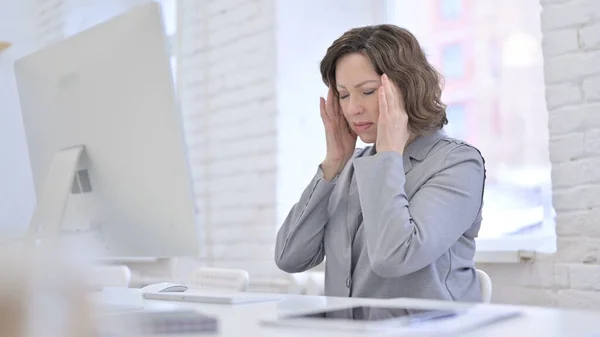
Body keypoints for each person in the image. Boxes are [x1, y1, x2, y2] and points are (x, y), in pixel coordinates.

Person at [274, 24, 486, 302]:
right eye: (344, 95)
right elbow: (290, 257)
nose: (353, 109)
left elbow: (394, 257)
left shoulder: (457, 163)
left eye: (368, 91)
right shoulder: (349, 167)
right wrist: (334, 163)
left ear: (407, 87)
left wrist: (388, 156)